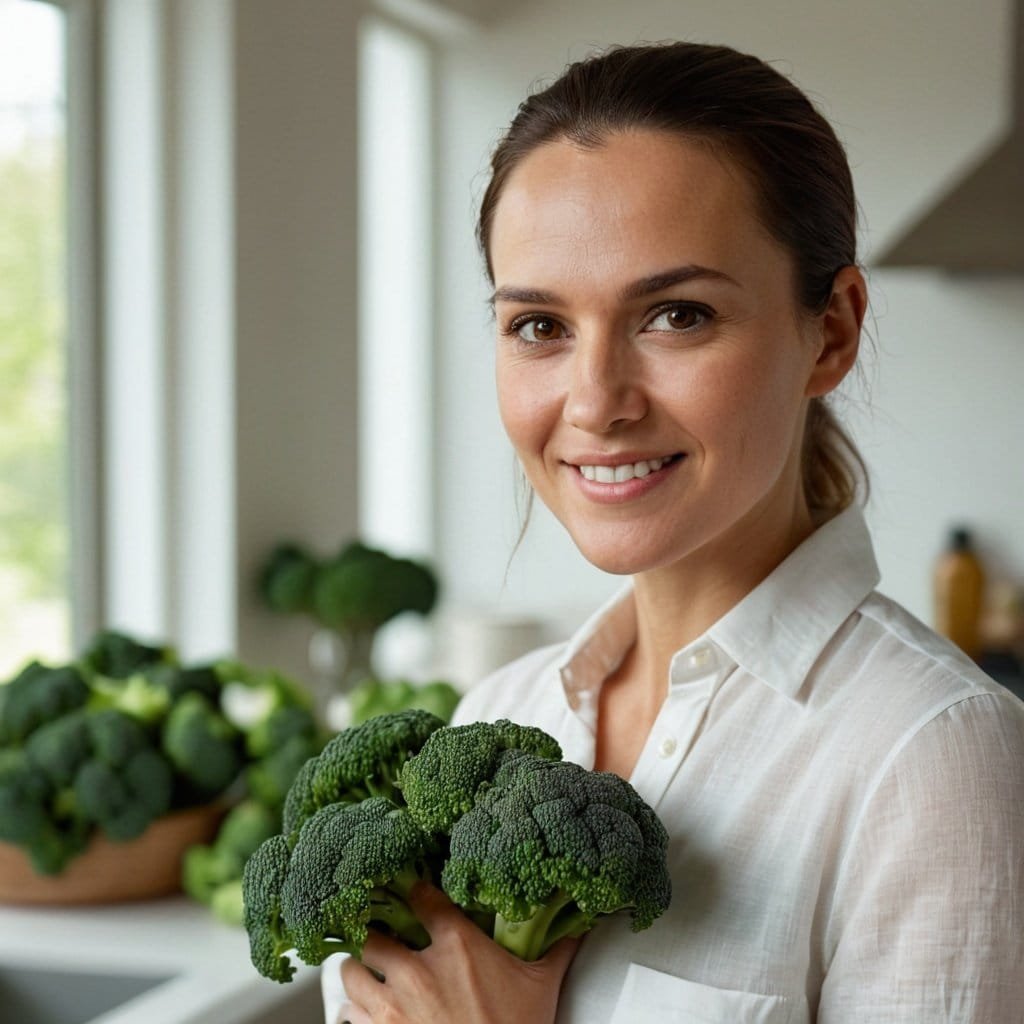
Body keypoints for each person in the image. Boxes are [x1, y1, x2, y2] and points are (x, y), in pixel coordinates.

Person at [324, 41, 1024, 1023]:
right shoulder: (498, 709)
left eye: (676, 314)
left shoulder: (932, 757)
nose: (597, 401)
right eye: (539, 326)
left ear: (830, 331)